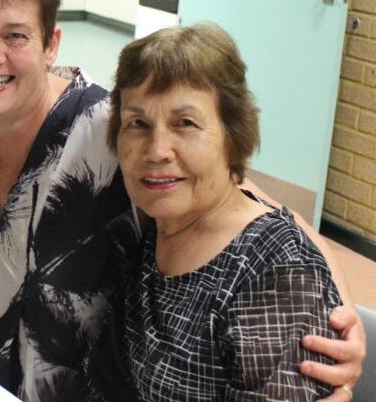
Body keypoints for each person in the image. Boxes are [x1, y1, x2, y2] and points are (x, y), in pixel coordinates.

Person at [0, 0, 365, 402]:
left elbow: (252, 211)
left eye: (15, 35)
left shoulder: (116, 131)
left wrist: (338, 323)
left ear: (51, 44)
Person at [85, 23, 344, 401]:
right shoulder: (155, 222)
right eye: (138, 123)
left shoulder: (275, 273)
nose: (156, 151)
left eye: (185, 123)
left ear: (232, 136)